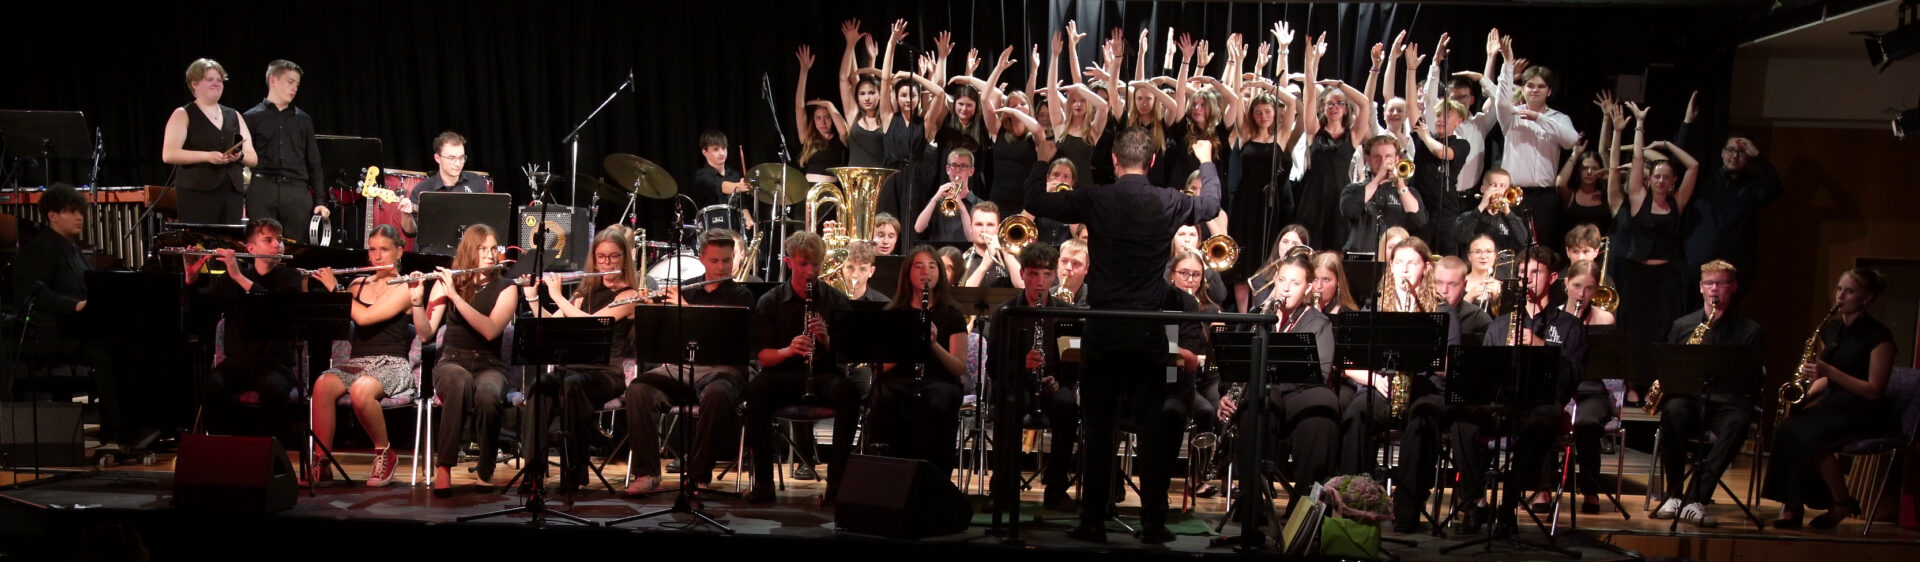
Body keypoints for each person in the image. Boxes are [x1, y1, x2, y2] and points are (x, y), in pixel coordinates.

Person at [1025, 127, 1220, 543]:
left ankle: (1092, 520)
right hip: (1147, 331)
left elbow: (1035, 201)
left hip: (1104, 327)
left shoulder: (1098, 197)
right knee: (1151, 429)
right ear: (1151, 162)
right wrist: (1205, 158)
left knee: (1098, 429)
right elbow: (1211, 203)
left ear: (1113, 161)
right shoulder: (1167, 199)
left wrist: (1043, 157)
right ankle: (1152, 522)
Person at [624, 229, 755, 495]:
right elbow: (655, 337)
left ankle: (698, 477)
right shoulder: (686, 289)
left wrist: (684, 308)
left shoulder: (741, 296)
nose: (721, 267)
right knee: (639, 389)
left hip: (723, 369)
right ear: (702, 259)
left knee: (718, 395)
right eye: (714, 261)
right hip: (680, 367)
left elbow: (723, 334)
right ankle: (647, 473)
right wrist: (649, 310)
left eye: (727, 261)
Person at [1764, 268, 1896, 530]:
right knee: (1785, 428)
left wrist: (1830, 372)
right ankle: (1793, 505)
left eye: (1849, 291)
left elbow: (1873, 389)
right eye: (1839, 289)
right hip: (1832, 408)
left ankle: (1840, 502)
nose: (1841, 296)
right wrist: (1803, 396)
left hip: (1863, 412)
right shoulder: (1832, 330)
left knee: (1810, 437)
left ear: (1867, 298)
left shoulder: (1880, 337)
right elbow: (1825, 378)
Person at [518, 227, 638, 498]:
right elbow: (552, 326)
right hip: (572, 368)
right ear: (593, 261)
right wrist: (532, 297)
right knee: (540, 387)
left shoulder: (629, 296)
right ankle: (533, 473)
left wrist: (559, 296)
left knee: (573, 386)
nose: (607, 264)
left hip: (606, 373)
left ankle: (573, 472)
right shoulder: (583, 295)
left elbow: (594, 326)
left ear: (624, 259)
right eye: (601, 258)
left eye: (613, 257)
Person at [745, 232, 860, 505]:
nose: (810, 271)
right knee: (756, 390)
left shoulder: (836, 300)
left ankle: (836, 487)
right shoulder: (770, 302)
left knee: (849, 392)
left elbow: (849, 356)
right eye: (803, 264)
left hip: (824, 376)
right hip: (782, 376)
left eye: (816, 265)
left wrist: (826, 339)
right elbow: (763, 358)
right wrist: (789, 350)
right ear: (789, 263)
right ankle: (763, 484)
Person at [1480, 245, 1591, 524]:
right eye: (1521, 273)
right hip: (1503, 403)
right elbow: (1483, 374)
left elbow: (1572, 377)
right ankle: (1474, 502)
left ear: (1552, 278)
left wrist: (1542, 347)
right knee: (1462, 422)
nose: (1526, 278)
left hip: (1543, 404)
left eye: (1534, 272)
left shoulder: (1569, 326)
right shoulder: (1499, 324)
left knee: (1541, 421)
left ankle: (1508, 507)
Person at [12, 185, 129, 447]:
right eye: (71, 212)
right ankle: (116, 432)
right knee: (105, 350)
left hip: (73, 327)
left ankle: (123, 429)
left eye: (80, 212)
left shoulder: (74, 250)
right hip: (48, 331)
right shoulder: (40, 248)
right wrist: (73, 306)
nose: (79, 217)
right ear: (53, 216)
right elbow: (33, 293)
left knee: (123, 345)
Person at [1217, 253, 1342, 496]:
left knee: (1323, 405)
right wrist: (1225, 394)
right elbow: (1232, 366)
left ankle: (1305, 503)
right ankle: (1252, 501)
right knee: (1257, 399)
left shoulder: (1318, 322)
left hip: (1299, 395)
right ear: (1275, 280)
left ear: (1307, 288)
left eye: (1295, 284)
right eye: (1282, 280)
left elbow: (1321, 372)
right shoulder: (1255, 316)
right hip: (1264, 394)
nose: (1286, 289)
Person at [410, 224, 519, 497]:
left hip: (489, 364)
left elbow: (491, 329)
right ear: (470, 251)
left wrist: (455, 297)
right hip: (452, 361)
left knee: (488, 394)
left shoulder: (507, 287)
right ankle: (444, 468)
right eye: (482, 249)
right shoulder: (447, 282)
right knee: (459, 382)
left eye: (493, 248)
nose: (490, 255)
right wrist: (415, 302)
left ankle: (485, 469)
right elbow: (425, 334)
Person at [1650, 260, 1760, 528]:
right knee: (1673, 410)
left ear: (1733, 287)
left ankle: (1697, 498)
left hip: (1727, 403)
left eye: (1721, 283)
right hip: (1689, 400)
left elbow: (1752, 379)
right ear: (1700, 287)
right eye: (1709, 283)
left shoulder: (1750, 331)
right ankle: (1674, 496)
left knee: (1739, 422)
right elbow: (1670, 370)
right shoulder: (1682, 325)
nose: (1714, 289)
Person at [308, 225, 414, 486]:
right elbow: (339, 317)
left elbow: (364, 318)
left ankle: (385, 454)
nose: (376, 257)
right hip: (357, 362)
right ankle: (322, 462)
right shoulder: (357, 284)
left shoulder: (406, 286)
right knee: (322, 385)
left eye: (384, 250)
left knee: (361, 390)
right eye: (372, 249)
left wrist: (336, 290)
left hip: (392, 363)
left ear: (399, 252)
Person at [186, 219, 305, 437]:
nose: (277, 245)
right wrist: (192, 280)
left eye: (279, 240)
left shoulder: (290, 276)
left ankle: (268, 454)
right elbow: (199, 312)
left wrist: (237, 276)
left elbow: (273, 308)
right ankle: (221, 451)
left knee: (274, 392)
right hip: (237, 363)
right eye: (268, 240)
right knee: (210, 387)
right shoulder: (232, 279)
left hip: (275, 364)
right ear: (250, 249)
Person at [987, 242, 1080, 510]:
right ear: (1024, 274)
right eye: (1033, 274)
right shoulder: (1006, 313)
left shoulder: (1066, 313)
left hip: (1052, 385)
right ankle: (1003, 488)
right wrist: (1022, 365)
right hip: (1016, 384)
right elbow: (994, 366)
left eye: (1046, 274)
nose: (1040, 282)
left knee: (1067, 405)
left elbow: (1075, 364)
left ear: (1055, 276)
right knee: (1011, 403)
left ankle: (1056, 489)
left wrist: (1059, 380)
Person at [1615, 102, 1700, 394]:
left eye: (1666, 177)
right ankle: (1632, 385)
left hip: (1667, 278)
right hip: (1638, 275)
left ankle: (1659, 384)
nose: (1661, 180)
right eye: (1657, 176)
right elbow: (1638, 158)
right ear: (1650, 179)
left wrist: (1666, 144)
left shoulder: (1678, 201)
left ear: (1672, 180)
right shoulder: (1639, 196)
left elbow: (1694, 165)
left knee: (1664, 330)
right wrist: (1639, 125)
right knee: (1635, 332)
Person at [870, 245, 969, 473]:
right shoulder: (893, 313)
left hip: (939, 381)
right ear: (908, 274)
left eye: (932, 266)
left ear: (940, 274)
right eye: (919, 265)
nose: (927, 271)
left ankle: (932, 475)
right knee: (885, 396)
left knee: (938, 399)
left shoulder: (952, 315)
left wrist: (933, 344)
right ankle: (891, 473)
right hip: (899, 380)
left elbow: (958, 367)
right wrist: (910, 343)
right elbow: (879, 367)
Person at [1481, 31, 1578, 251]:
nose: (1534, 90)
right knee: (1510, 248)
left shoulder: (1559, 118)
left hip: (1544, 198)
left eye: (1540, 86)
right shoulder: (1511, 114)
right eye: (1530, 86)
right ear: (1522, 89)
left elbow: (1571, 141)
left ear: (1549, 91)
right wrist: (1506, 64)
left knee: (1541, 250)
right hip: (1514, 194)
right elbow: (1501, 101)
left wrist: (1539, 117)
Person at [1298, 34, 1375, 248]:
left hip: (1340, 197)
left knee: (1338, 250)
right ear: (1324, 107)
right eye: (1329, 104)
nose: (1334, 107)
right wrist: (1311, 59)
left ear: (1345, 108)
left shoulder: (1353, 134)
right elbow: (1310, 92)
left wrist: (1339, 84)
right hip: (1313, 197)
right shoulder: (1315, 130)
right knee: (1311, 249)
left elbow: (1365, 104)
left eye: (1339, 103)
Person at [242, 60, 331, 244]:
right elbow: (240, 162)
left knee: (296, 247)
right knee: (260, 245)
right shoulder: (251, 117)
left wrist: (320, 201)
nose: (295, 88)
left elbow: (314, 163)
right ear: (273, 80)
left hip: (296, 192)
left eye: (297, 84)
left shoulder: (303, 120)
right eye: (290, 82)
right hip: (262, 189)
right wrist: (241, 200)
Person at [161, 58, 257, 224]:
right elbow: (169, 154)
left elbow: (253, 158)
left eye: (219, 80)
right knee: (202, 243)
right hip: (197, 192)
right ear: (194, 84)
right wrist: (207, 156)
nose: (216, 83)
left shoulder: (234, 115)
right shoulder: (183, 114)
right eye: (210, 79)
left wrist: (239, 157)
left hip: (231, 191)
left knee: (230, 244)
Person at [1682, 134, 1780, 291]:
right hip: (1698, 263)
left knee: (1728, 314)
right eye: (1731, 150)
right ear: (1722, 152)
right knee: (1695, 314)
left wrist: (1758, 156)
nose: (1735, 156)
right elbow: (1680, 165)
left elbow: (1774, 190)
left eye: (1741, 152)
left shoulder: (1752, 187)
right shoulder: (1703, 181)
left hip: (1735, 266)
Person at [1340, 135, 1426, 254]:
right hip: (1361, 257)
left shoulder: (1408, 192)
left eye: (1388, 156)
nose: (1383, 162)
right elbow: (1350, 210)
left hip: (1395, 258)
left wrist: (1400, 185)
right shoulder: (1353, 189)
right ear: (1368, 159)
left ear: (1397, 159)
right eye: (1377, 157)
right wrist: (1379, 178)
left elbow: (1419, 221)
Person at [397, 132, 487, 239]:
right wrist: (406, 216)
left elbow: (488, 222)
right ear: (437, 158)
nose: (458, 163)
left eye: (461, 157)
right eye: (451, 158)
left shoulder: (476, 182)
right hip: (434, 251)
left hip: (469, 250)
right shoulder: (422, 190)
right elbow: (411, 233)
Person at [795, 45, 849, 186]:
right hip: (808, 194)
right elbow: (799, 108)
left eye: (827, 117)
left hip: (831, 194)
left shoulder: (840, 139)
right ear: (813, 120)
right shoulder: (808, 138)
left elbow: (843, 130)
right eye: (818, 118)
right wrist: (804, 71)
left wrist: (828, 104)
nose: (823, 122)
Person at [1451, 168, 1531, 255]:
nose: (1497, 190)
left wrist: (1508, 213)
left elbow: (1524, 243)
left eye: (1502, 186)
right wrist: (1481, 207)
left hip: (1503, 266)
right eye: (1493, 185)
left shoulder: (1512, 219)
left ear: (1508, 190)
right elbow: (1462, 237)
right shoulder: (1467, 216)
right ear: (1483, 189)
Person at [914, 148, 982, 244]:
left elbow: (973, 239)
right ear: (947, 169)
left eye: (963, 166)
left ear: (971, 171)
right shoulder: (937, 201)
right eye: (954, 165)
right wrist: (934, 199)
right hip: (939, 255)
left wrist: (961, 206)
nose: (957, 170)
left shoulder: (979, 205)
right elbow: (918, 228)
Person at [693, 130, 754, 230]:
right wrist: (738, 186)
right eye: (716, 149)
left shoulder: (735, 175)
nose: (721, 153)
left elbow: (742, 205)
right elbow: (721, 186)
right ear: (705, 152)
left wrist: (748, 219)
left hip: (735, 230)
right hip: (711, 231)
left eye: (724, 148)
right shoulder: (701, 175)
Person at [1243, 225, 1312, 312]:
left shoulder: (1310, 274)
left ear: (1304, 249)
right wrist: (1278, 285)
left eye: (1295, 244)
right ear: (1278, 244)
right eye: (1285, 242)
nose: (1288, 248)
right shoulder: (1263, 275)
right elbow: (1260, 311)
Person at [959, 201, 1018, 288]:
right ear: (971, 227)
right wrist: (984, 265)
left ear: (999, 228)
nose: (984, 230)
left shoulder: (1013, 256)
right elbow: (961, 296)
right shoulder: (960, 260)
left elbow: (1023, 286)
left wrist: (1005, 251)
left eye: (990, 225)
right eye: (979, 224)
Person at [1435, 256, 1494, 342]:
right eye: (1439, 282)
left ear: (1464, 285)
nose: (1444, 290)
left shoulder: (1479, 318)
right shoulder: (1420, 308)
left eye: (1452, 284)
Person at [1562, 260, 1617, 326]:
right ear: (1566, 283)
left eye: (1589, 288)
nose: (1581, 294)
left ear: (1596, 289)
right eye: (1577, 285)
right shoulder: (1552, 317)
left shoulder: (1606, 320)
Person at [1057, 238, 1090, 305]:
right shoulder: (1046, 295)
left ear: (1086, 268)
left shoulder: (1094, 298)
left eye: (1075, 263)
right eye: (1064, 261)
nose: (1068, 268)